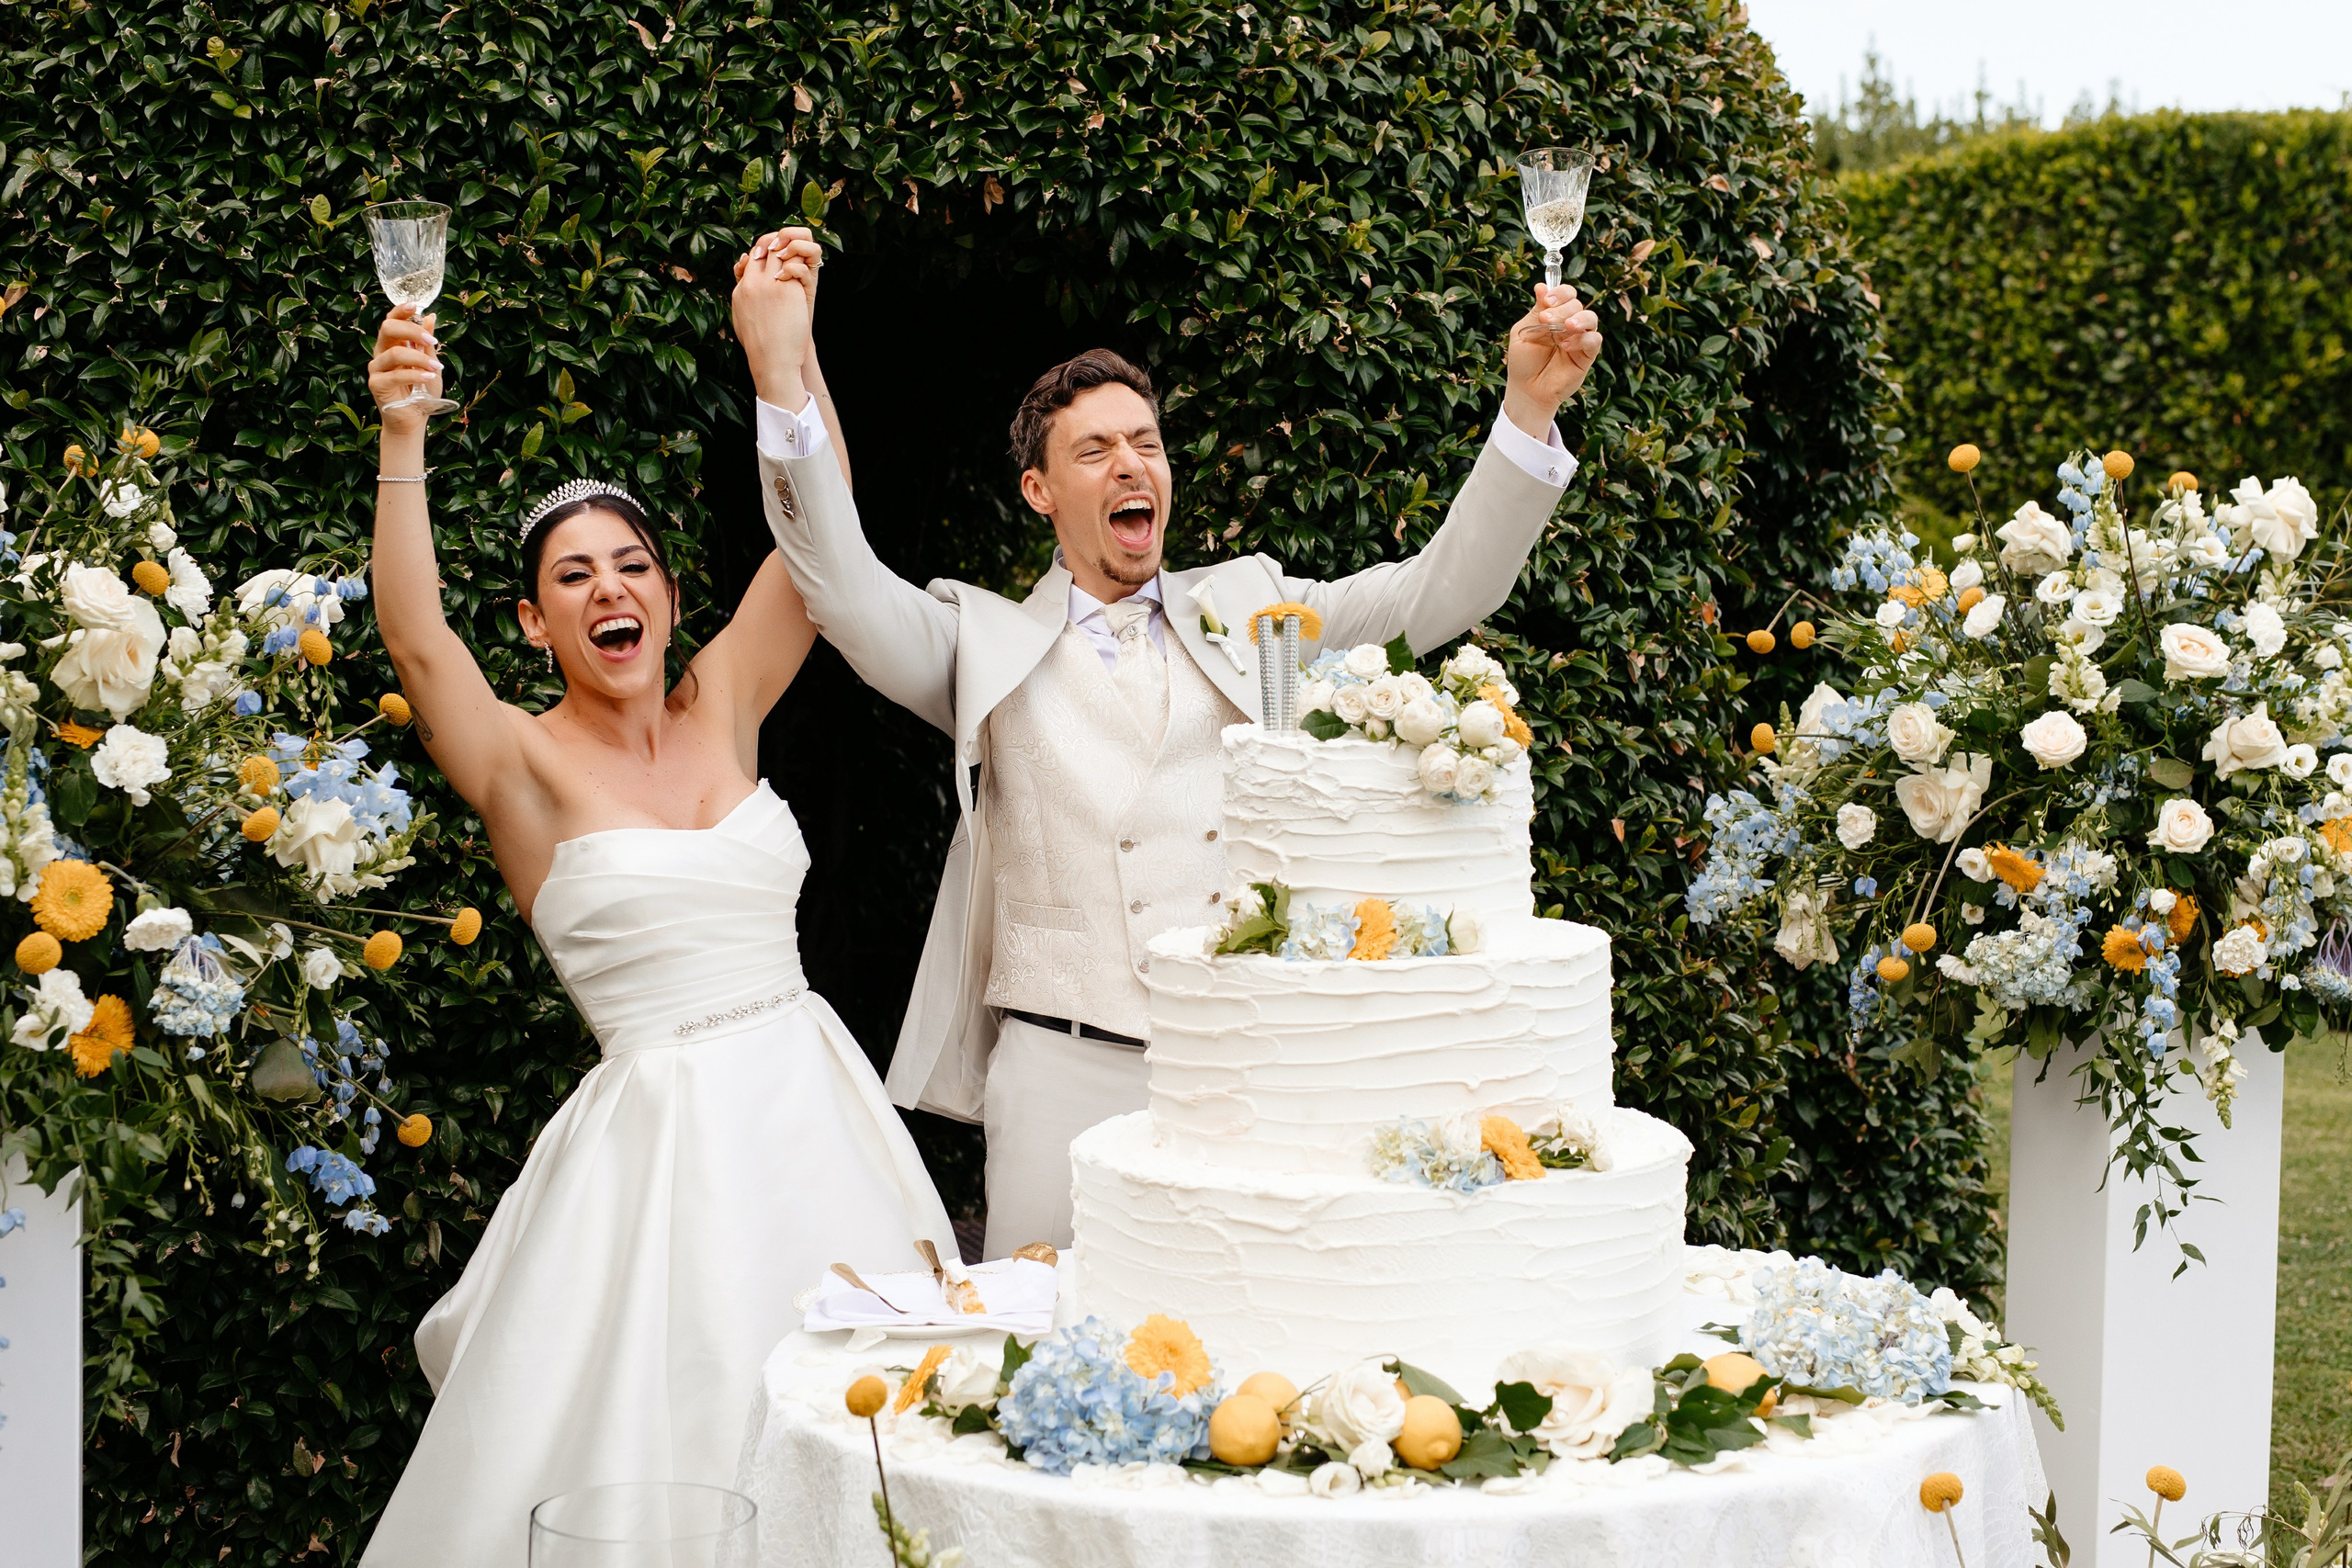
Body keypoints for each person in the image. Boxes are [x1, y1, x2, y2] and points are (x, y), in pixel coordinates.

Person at [732, 227, 1606, 1258]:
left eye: (1144, 442)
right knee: (1056, 1352)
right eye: (1094, 451)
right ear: (1040, 492)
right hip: (1060, 1070)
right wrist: (780, 374)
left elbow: (1436, 590)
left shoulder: (1258, 605)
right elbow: (835, 582)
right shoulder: (980, 642)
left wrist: (1528, 410)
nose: (1129, 464)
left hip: (1241, 1058)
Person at [357, 237, 954, 1567]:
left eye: (630, 565)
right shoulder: (522, 766)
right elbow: (413, 637)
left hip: (815, 1110)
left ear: (673, 598)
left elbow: (823, 541)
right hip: (655, 1153)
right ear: (534, 623)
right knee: (665, 1439)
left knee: (865, 1431)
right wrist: (406, 434)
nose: (608, 588)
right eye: (573, 577)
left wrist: (781, 358)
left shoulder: (729, 702)